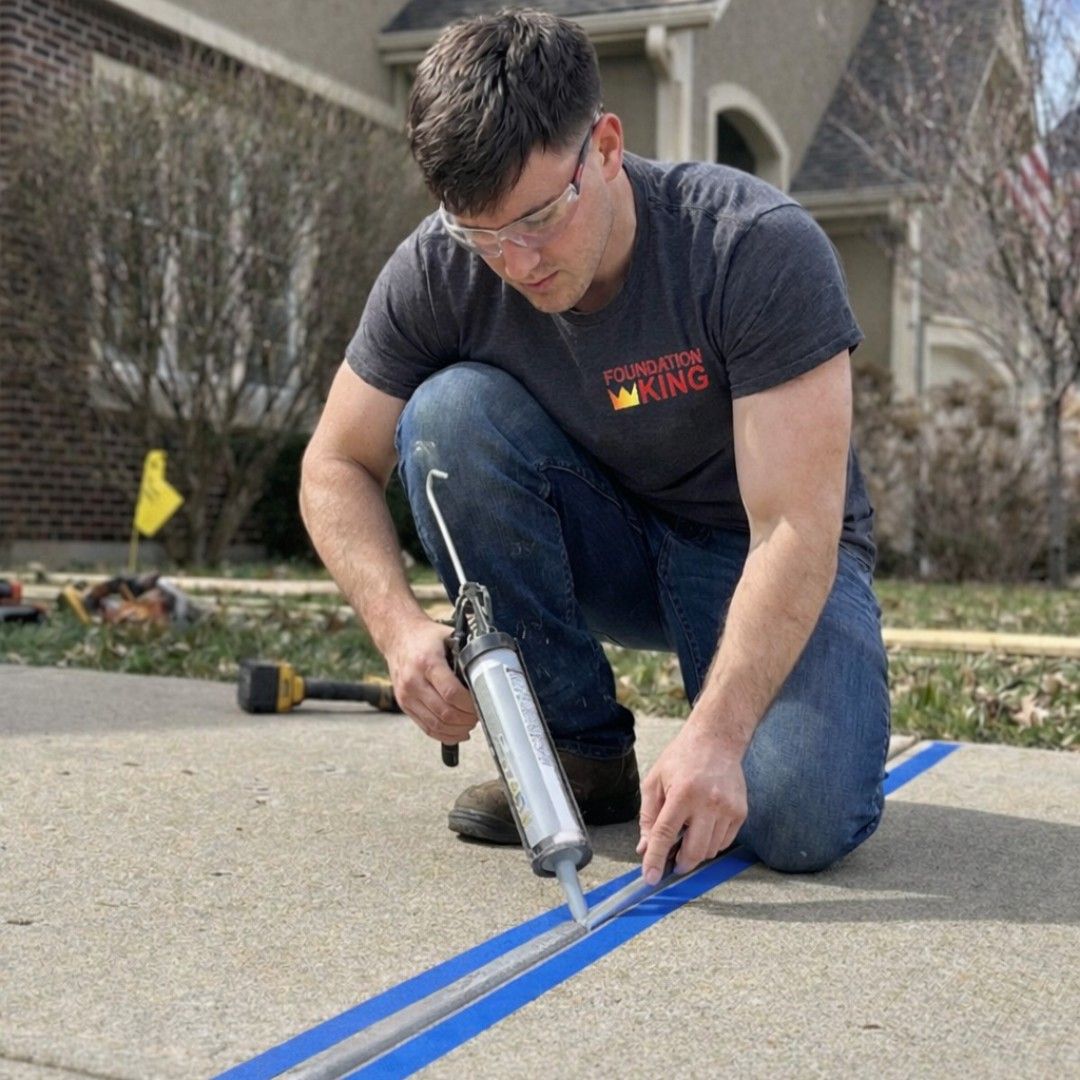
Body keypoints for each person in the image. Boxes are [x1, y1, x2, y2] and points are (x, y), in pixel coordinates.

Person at [300, 8, 890, 887]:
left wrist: (719, 737)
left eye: (540, 218)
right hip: (606, 539)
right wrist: (399, 632)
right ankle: (580, 749)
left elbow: (797, 531)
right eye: (481, 232)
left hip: (757, 549)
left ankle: (736, 736)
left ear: (606, 146)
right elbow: (334, 464)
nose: (517, 261)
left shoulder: (752, 247)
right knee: (447, 415)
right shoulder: (443, 264)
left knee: (798, 819)